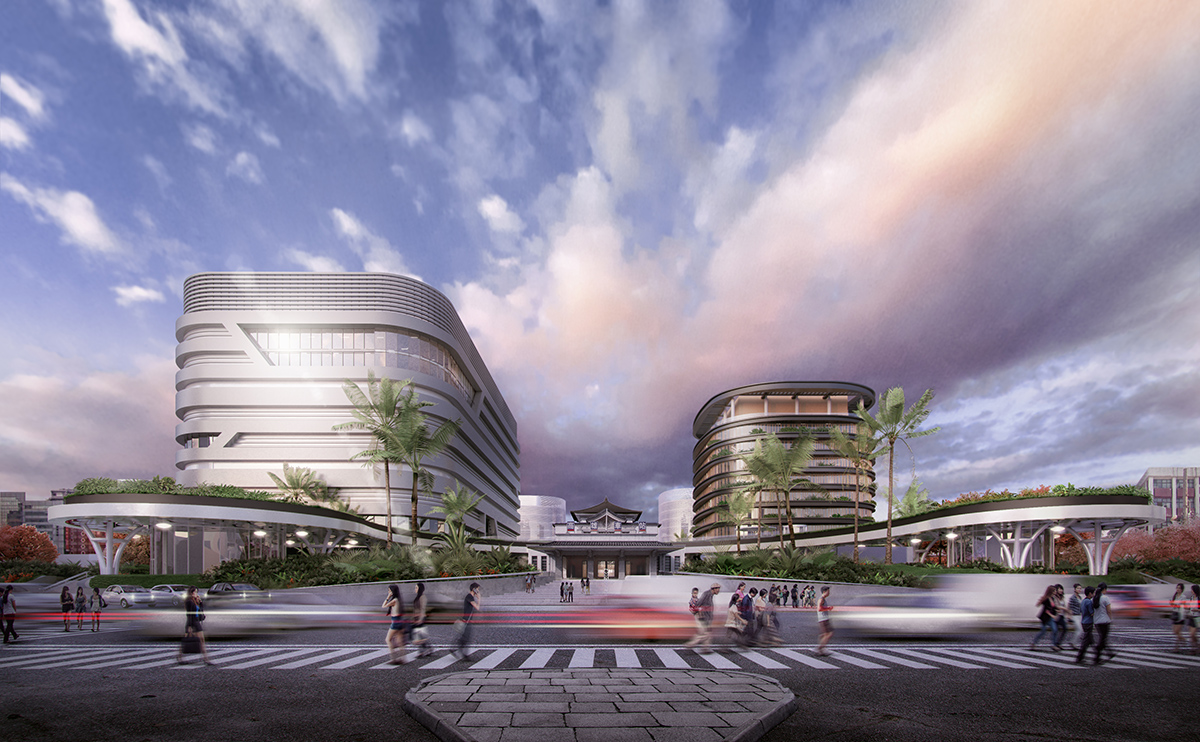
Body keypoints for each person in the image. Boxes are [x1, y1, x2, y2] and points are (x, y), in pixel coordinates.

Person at [177, 586, 212, 665]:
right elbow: (189, 614)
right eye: (195, 592)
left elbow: (200, 611)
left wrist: (200, 603)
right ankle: (179, 656)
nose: (196, 594)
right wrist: (189, 627)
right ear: (191, 593)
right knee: (186, 640)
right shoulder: (189, 601)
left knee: (201, 640)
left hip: (196, 621)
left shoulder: (195, 601)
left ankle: (206, 659)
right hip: (191, 622)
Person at [684, 583, 719, 653]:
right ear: (714, 589)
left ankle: (705, 648)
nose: (718, 591)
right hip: (703, 617)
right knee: (705, 633)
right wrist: (699, 613)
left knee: (707, 633)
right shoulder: (707, 594)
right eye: (718, 589)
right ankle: (690, 644)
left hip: (706, 617)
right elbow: (698, 604)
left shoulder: (710, 595)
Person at [1030, 584, 1060, 651]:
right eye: (1054, 590)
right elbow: (1046, 610)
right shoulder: (1046, 599)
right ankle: (1034, 643)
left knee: (1055, 630)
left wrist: (1057, 610)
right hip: (1045, 618)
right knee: (1043, 631)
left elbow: (1052, 608)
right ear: (1051, 591)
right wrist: (1053, 616)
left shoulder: (1052, 598)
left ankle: (1054, 645)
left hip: (1050, 618)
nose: (1056, 592)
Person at [382, 584, 407, 664]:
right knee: (400, 641)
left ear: (392, 591)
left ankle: (394, 659)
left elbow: (383, 606)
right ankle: (403, 659)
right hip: (400, 621)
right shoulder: (399, 600)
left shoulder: (394, 600)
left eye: (389, 590)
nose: (388, 592)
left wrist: (388, 596)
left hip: (395, 622)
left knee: (388, 640)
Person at [455, 583, 481, 660]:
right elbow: (477, 607)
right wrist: (479, 599)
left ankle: (459, 651)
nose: (478, 591)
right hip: (466, 620)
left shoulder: (470, 597)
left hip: (467, 620)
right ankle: (462, 653)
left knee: (465, 637)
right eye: (477, 589)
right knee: (466, 637)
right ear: (474, 589)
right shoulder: (469, 597)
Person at [1093, 582, 1114, 664]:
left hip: (1097, 621)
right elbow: (1109, 610)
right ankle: (1097, 657)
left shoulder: (1094, 598)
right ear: (1104, 589)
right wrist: (1110, 618)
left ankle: (1109, 653)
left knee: (1102, 638)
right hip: (1105, 621)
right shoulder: (1105, 598)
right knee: (1102, 639)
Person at [1074, 586, 1096, 664]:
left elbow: (1081, 611)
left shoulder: (1083, 601)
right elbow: (1092, 613)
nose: (1094, 594)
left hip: (1083, 621)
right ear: (1090, 593)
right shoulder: (1089, 602)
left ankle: (1097, 654)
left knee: (1090, 640)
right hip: (1088, 622)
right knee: (1086, 641)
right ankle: (1079, 657)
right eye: (1093, 593)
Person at [410, 582, 431, 658]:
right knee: (420, 634)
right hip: (417, 618)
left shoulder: (422, 597)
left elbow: (423, 609)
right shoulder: (418, 597)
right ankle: (428, 648)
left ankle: (421, 652)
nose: (415, 589)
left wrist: (420, 619)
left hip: (421, 618)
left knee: (418, 634)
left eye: (416, 588)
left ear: (420, 589)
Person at [1169, 583, 1187, 653]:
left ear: (1182, 589)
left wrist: (1175, 604)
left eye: (1179, 588)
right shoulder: (1175, 596)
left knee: (1177, 631)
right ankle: (1183, 640)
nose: (1178, 589)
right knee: (1175, 631)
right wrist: (1172, 603)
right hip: (1175, 613)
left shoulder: (1183, 597)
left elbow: (1183, 605)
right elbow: (1172, 604)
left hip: (1180, 615)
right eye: (1177, 588)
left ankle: (1177, 647)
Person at [816, 586, 834, 655]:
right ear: (824, 592)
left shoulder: (823, 599)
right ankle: (821, 648)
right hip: (823, 619)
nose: (829, 593)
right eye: (828, 591)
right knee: (828, 634)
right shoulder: (821, 599)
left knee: (824, 634)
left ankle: (821, 647)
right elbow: (819, 608)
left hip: (824, 619)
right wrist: (828, 608)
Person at [1066, 584, 1084, 650]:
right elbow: (1069, 606)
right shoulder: (1072, 598)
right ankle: (1073, 642)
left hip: (1079, 615)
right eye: (1078, 588)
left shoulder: (1079, 597)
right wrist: (1069, 616)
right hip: (1074, 615)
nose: (1079, 590)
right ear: (1074, 589)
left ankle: (1075, 642)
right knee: (1079, 629)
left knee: (1080, 630)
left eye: (1080, 588)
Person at [1187, 585, 1200, 655]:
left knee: (1193, 633)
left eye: (1192, 589)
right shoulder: (1191, 598)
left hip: (1197, 617)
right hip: (1191, 616)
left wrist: (1197, 610)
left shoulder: (1199, 598)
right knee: (1191, 634)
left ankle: (1195, 647)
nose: (1191, 591)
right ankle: (1195, 647)